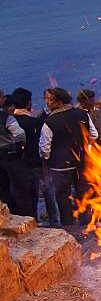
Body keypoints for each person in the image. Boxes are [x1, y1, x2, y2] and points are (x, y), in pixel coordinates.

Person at [39, 88, 97, 227]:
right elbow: (94, 135)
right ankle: (87, 224)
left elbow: (44, 149)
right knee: (83, 194)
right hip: (81, 163)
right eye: (46, 99)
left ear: (59, 101)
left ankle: (68, 226)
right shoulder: (82, 114)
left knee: (63, 197)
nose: (47, 102)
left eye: (50, 99)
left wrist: (48, 159)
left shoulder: (50, 122)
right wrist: (83, 148)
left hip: (60, 167)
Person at [9, 89, 53, 220]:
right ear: (28, 103)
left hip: (16, 165)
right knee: (47, 193)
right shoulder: (35, 122)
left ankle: (30, 221)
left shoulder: (9, 122)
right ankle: (54, 221)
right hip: (36, 163)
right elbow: (43, 143)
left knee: (23, 197)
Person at [0, 92, 28, 214]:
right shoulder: (5, 117)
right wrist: (19, 144)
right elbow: (20, 134)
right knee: (16, 188)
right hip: (8, 156)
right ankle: (18, 215)